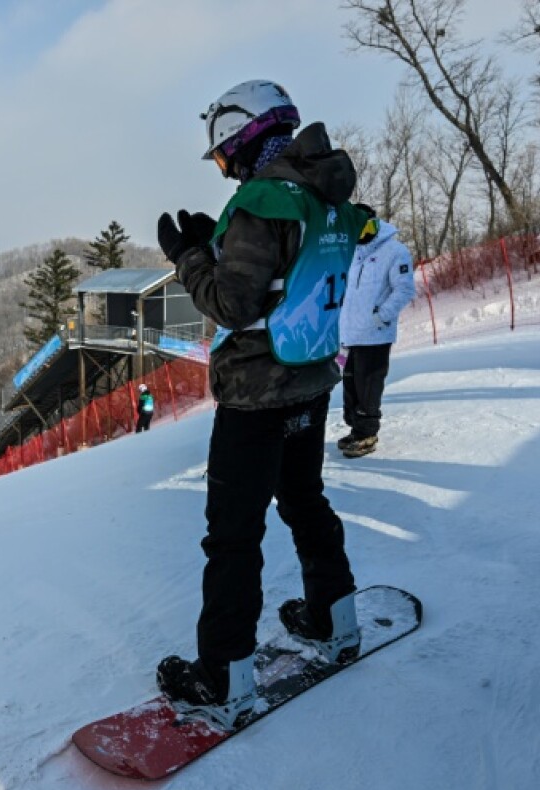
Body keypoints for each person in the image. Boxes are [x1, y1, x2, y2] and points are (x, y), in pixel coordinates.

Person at [153, 79, 368, 729]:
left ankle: (223, 677)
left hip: (256, 395)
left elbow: (233, 304)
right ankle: (337, 619)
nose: (225, 172)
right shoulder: (325, 197)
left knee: (233, 535)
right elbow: (284, 280)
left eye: (223, 156)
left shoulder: (262, 200)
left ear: (243, 138)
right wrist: (217, 251)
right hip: (311, 377)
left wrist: (191, 259)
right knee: (305, 501)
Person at [337, 204, 416, 458]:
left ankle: (367, 432)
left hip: (375, 333)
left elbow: (404, 290)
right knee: (350, 383)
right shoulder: (351, 252)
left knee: (368, 384)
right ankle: (355, 428)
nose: (362, 233)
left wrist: (381, 316)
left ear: (374, 224)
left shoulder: (394, 251)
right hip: (350, 333)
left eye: (366, 227)